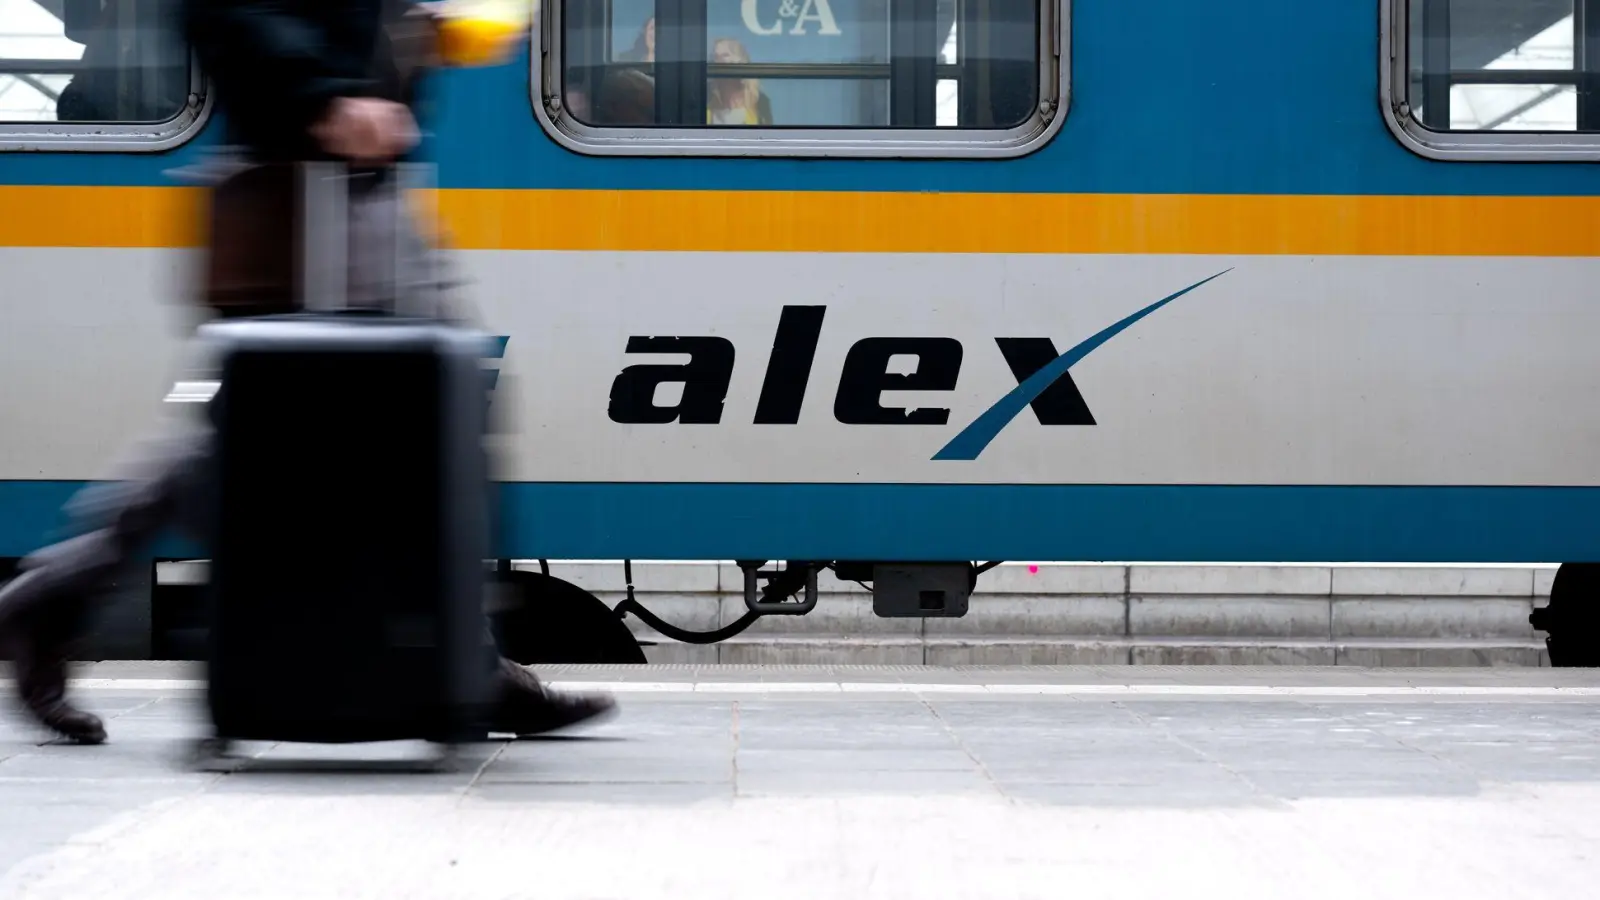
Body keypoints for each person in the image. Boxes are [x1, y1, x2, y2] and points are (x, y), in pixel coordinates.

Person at [0, 0, 616, 745]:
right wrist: (320, 95)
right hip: (306, 191)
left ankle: (50, 598)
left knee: (270, 427)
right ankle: (470, 668)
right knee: (412, 416)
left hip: (349, 185)